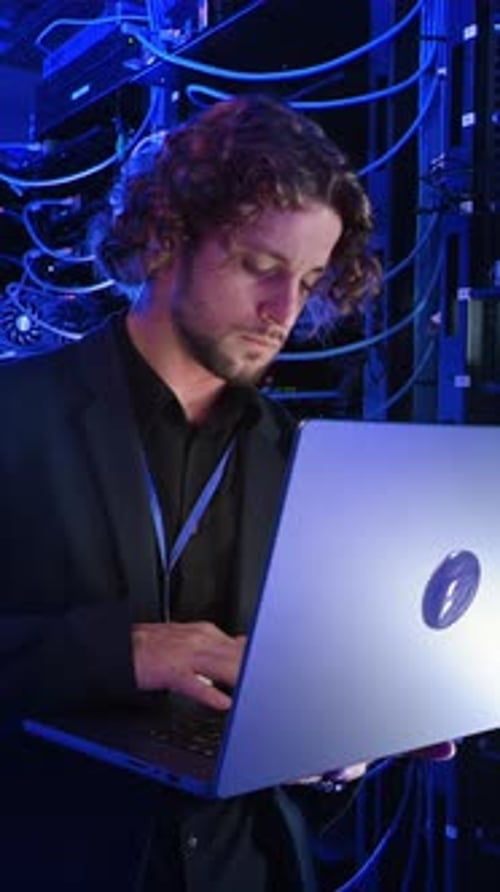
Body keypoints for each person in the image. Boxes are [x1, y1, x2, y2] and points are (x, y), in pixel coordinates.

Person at [0, 94, 447, 892]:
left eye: (309, 282)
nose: (285, 313)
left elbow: (300, 698)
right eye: (261, 268)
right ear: (168, 233)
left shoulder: (303, 457)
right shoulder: (16, 414)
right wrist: (119, 651)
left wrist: (337, 752)